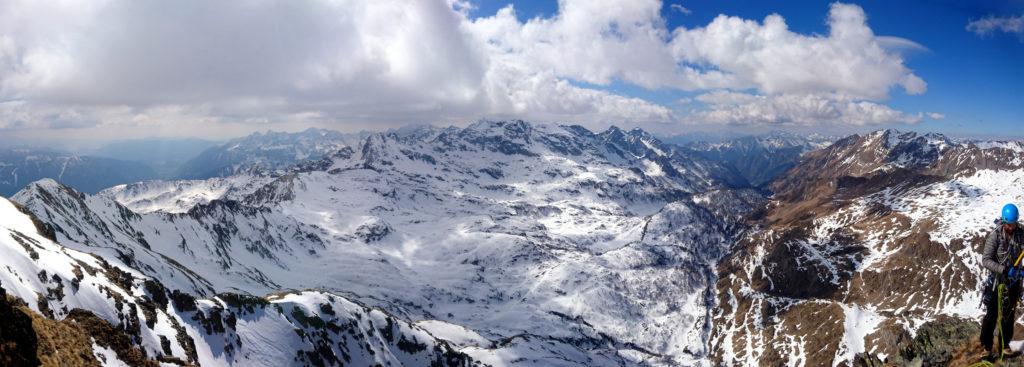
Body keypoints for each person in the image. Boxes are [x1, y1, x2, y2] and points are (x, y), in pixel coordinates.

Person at [981, 203, 1024, 358]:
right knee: (991, 315)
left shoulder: (1021, 234)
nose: (1011, 227)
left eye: (1014, 224)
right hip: (996, 282)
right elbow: (985, 260)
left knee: (1008, 315)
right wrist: (1003, 270)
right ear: (1004, 221)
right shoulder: (995, 236)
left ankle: (1005, 346)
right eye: (1009, 224)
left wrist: (1020, 271)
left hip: (1013, 282)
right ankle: (986, 347)